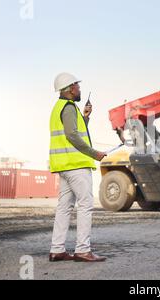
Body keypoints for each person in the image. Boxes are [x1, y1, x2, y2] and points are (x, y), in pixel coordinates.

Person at [49, 72, 106, 263]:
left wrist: (86, 117)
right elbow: (72, 136)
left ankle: (57, 250)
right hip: (76, 166)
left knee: (64, 207)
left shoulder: (60, 107)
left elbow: (73, 130)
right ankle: (83, 250)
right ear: (70, 89)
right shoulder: (69, 107)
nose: (79, 89)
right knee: (85, 205)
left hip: (64, 166)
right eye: (77, 86)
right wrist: (94, 154)